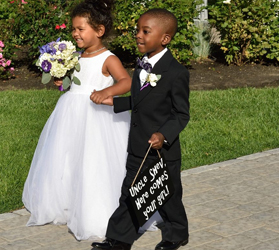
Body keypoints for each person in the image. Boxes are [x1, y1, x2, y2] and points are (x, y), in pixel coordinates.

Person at [22, 0, 161, 241]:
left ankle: (97, 208)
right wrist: (61, 80)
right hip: (70, 114)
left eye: (80, 29)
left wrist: (107, 92)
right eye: (73, 29)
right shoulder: (75, 56)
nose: (75, 33)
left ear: (99, 30)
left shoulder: (108, 58)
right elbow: (77, 81)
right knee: (67, 156)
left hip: (97, 119)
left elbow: (127, 82)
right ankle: (67, 201)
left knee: (94, 160)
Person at [91, 8, 190, 250]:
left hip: (161, 151)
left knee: (167, 194)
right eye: (138, 30)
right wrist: (114, 102)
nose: (138, 35)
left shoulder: (176, 73)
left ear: (164, 38)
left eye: (146, 31)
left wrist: (163, 135)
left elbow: (181, 114)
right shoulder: (140, 68)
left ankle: (176, 233)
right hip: (137, 144)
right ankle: (119, 240)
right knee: (130, 192)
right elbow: (140, 101)